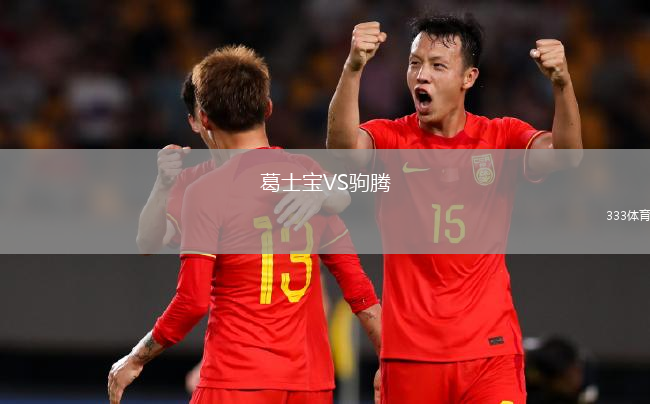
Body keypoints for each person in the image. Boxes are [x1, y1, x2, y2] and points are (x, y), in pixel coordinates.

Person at [327, 13, 582, 403]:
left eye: (437, 65)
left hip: (489, 353)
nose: (421, 75)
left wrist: (562, 83)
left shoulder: (501, 137)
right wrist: (353, 67)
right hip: (411, 356)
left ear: (468, 78)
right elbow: (342, 147)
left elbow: (567, 157)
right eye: (415, 63)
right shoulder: (391, 138)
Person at [109, 45, 382, 404]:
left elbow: (191, 301)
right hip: (310, 383)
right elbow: (357, 286)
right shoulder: (308, 179)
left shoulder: (205, 191)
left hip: (236, 379)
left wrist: (136, 358)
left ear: (201, 119)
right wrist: (388, 359)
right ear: (268, 108)